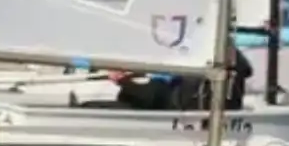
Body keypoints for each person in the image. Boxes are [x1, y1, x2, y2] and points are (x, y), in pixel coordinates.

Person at [106, 46, 253, 112]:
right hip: (209, 114)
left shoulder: (195, 56)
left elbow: (155, 95)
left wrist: (124, 83)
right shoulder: (229, 58)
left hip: (183, 117)